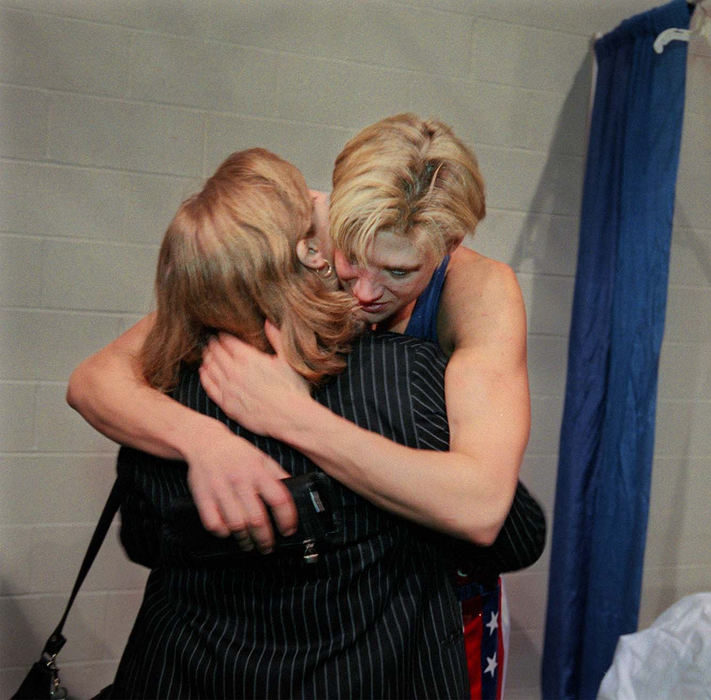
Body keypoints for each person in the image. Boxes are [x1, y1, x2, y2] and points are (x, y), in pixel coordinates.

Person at [67, 115, 534, 695]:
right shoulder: (294, 228)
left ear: (447, 248)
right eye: (353, 258)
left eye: (399, 272)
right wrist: (207, 442)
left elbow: (483, 506)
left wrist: (299, 418)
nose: (365, 292)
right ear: (329, 216)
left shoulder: (478, 292)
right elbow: (95, 380)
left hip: (428, 598)